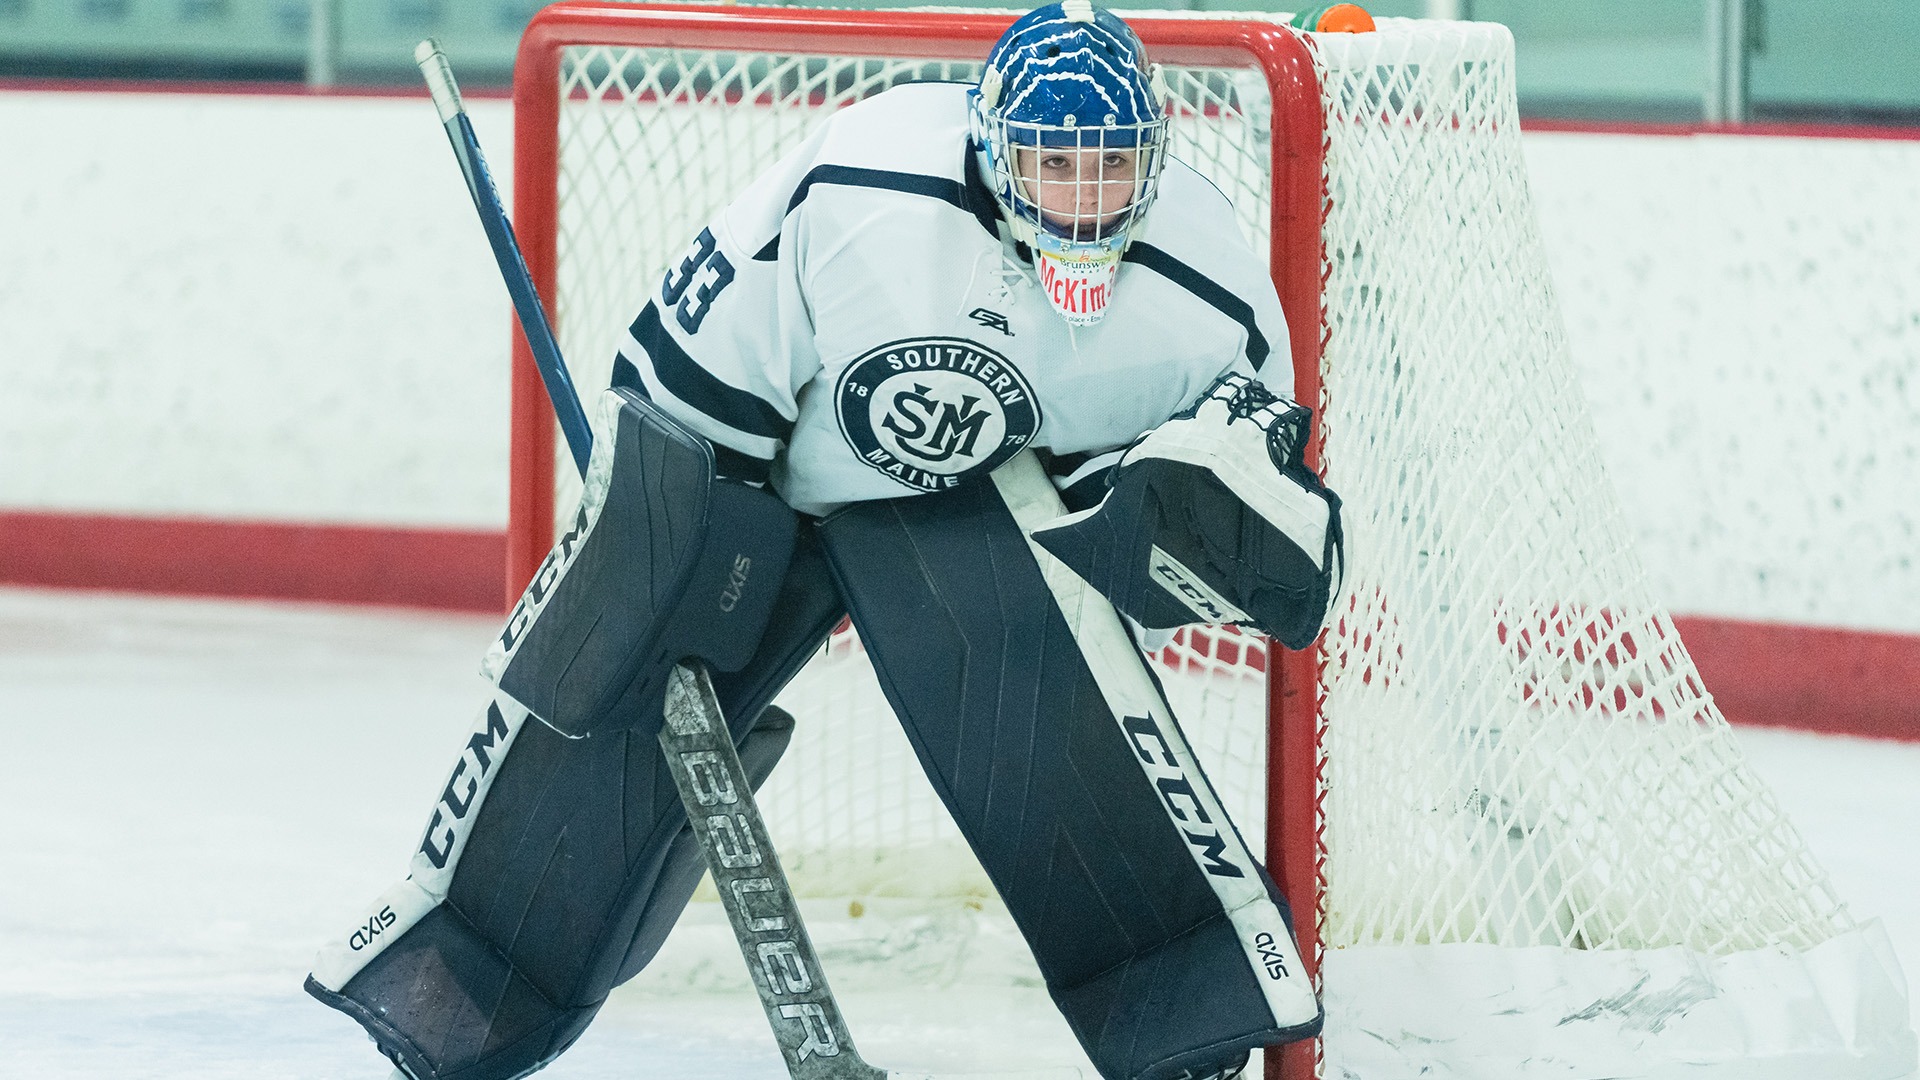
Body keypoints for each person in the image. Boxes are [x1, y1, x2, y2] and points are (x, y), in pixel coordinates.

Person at [305, 4, 1341, 1079]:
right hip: (773, 488)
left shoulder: (1209, 286)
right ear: (991, 148)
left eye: (1111, 166)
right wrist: (667, 571)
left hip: (976, 513)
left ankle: (1186, 1018)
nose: (1083, 200)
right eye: (1050, 163)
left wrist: (1201, 534)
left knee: (1053, 721)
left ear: (1155, 157)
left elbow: (1224, 501)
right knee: (612, 691)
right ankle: (466, 982)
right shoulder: (861, 183)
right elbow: (680, 382)